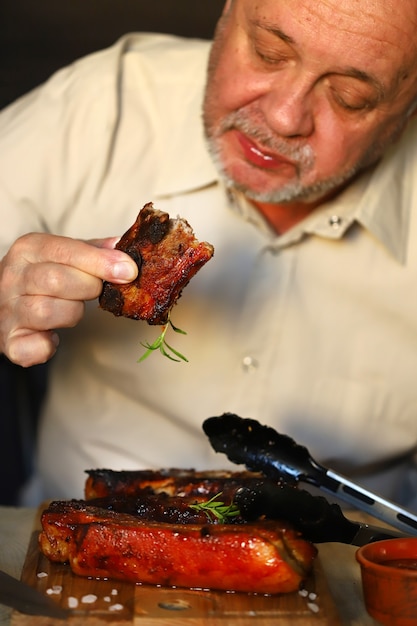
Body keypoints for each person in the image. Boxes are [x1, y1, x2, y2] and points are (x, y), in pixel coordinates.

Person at [1, 0, 417, 508]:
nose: (285, 118)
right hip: (77, 538)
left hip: (344, 568)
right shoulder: (112, 100)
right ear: (226, 16)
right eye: (268, 52)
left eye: (349, 97)